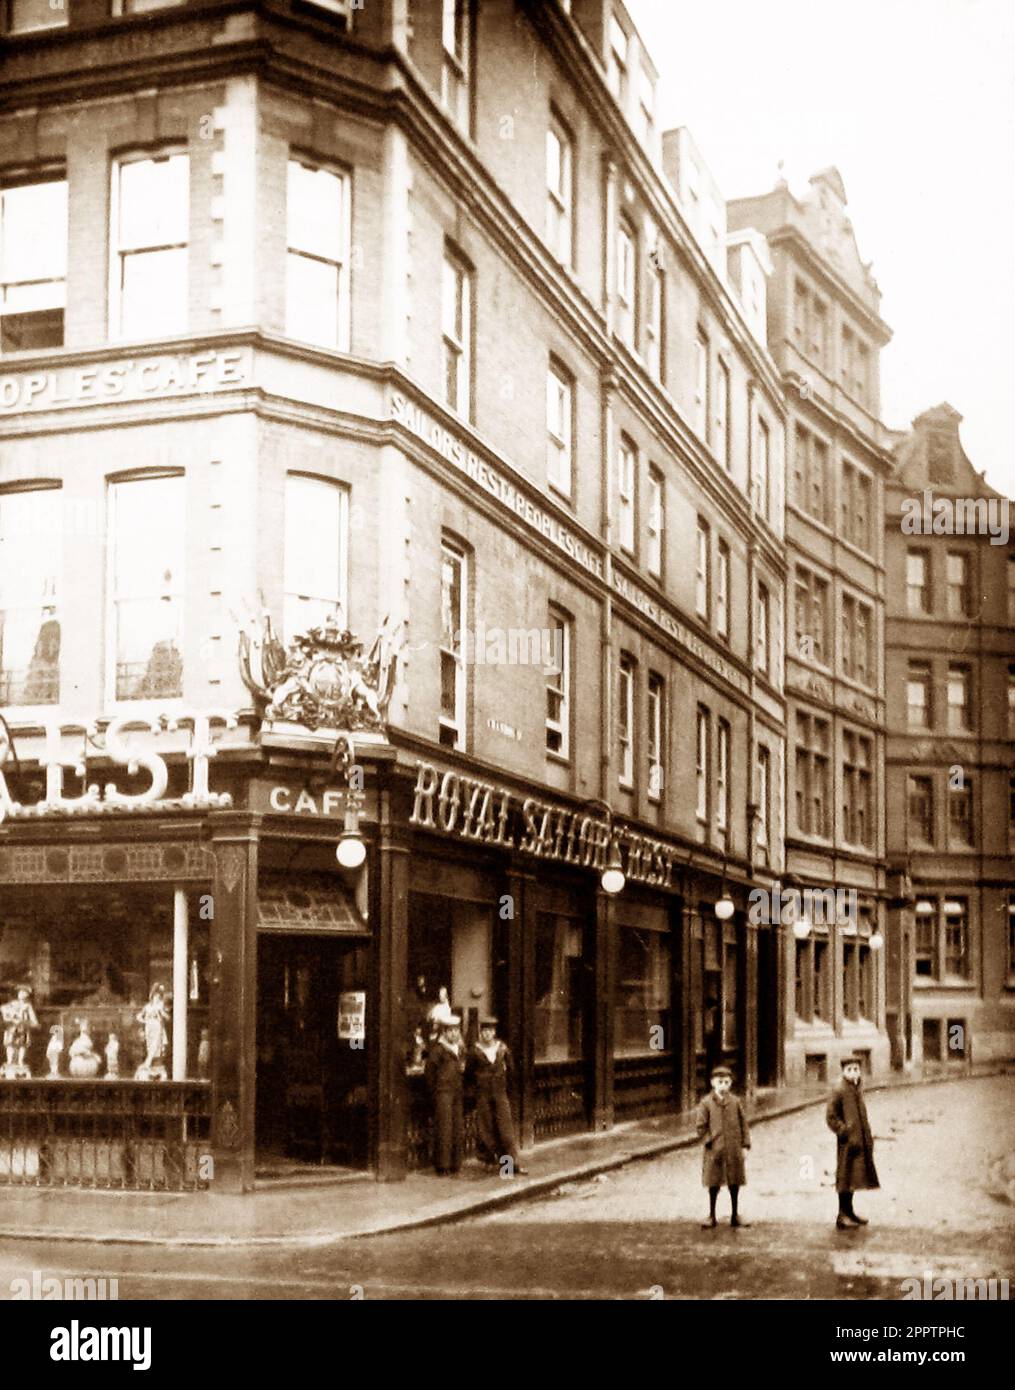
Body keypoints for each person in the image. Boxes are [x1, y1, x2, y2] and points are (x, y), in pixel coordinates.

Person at [469, 1018, 528, 1176]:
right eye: (484, 1031)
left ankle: (508, 1167)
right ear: (481, 1033)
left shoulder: (502, 1050)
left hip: (500, 1094)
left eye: (489, 1031)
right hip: (483, 1095)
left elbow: (512, 1072)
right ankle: (489, 1163)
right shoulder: (475, 1051)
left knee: (506, 1131)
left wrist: (508, 1092)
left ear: (494, 1033)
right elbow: (469, 1074)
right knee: (486, 1130)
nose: (487, 1034)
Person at [826, 1055, 879, 1229]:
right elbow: (831, 1116)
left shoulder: (856, 1088)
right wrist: (844, 1131)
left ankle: (850, 1212)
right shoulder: (840, 1089)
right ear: (843, 1072)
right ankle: (842, 1214)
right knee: (844, 1177)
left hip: (859, 1141)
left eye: (856, 1069)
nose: (854, 1072)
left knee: (854, 1178)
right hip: (847, 1143)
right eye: (849, 1070)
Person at [695, 1064, 751, 1228]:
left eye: (727, 1082)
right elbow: (700, 1127)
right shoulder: (706, 1103)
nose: (724, 1086)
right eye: (720, 1082)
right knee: (714, 1183)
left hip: (733, 1149)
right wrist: (709, 1141)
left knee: (735, 1182)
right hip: (715, 1150)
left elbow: (743, 1124)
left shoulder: (735, 1102)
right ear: (713, 1083)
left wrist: (745, 1145)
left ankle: (735, 1215)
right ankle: (712, 1215)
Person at [425, 1015, 466, 1175]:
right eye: (451, 1031)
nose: (454, 1034)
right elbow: (430, 1074)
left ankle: (455, 1163)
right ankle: (442, 1165)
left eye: (456, 1030)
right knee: (444, 1128)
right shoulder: (438, 1050)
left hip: (457, 1092)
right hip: (443, 1093)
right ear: (444, 1033)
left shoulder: (460, 1049)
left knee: (456, 1127)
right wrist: (435, 1092)